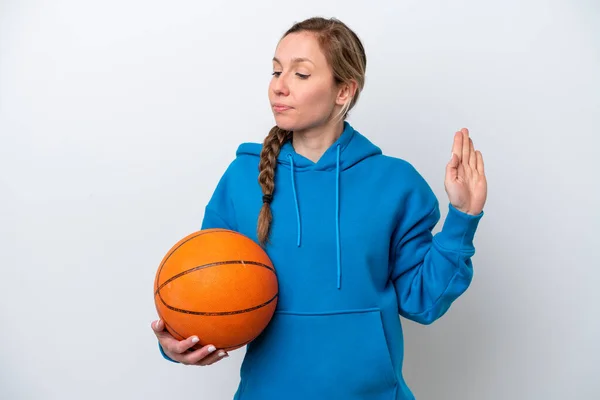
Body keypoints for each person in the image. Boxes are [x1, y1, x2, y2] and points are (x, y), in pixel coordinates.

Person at [151, 16, 487, 400]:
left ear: (344, 91)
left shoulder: (395, 183)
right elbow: (201, 288)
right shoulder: (242, 178)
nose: (279, 85)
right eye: (276, 71)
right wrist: (174, 343)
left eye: (301, 74)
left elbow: (424, 301)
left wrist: (462, 219)